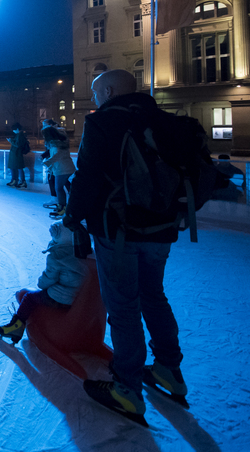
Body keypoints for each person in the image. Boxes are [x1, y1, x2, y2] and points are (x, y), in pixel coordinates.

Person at [62, 69, 188, 424]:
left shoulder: (103, 122)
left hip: (117, 231)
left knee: (123, 307)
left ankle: (127, 389)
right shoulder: (162, 119)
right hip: (162, 230)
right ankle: (169, 371)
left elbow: (87, 177)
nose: (96, 99)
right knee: (154, 296)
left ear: (111, 90)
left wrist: (73, 218)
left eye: (97, 92)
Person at [0, 220, 87, 343]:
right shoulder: (84, 252)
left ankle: (16, 327)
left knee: (29, 297)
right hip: (80, 299)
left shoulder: (57, 256)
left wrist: (40, 284)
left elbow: (48, 279)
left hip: (61, 298)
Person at [42, 121, 75, 219]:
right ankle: (66, 208)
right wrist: (50, 167)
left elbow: (58, 155)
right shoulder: (59, 142)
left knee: (59, 188)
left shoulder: (55, 144)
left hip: (62, 169)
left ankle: (62, 209)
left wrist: (48, 162)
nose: (44, 138)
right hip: (66, 168)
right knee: (65, 189)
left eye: (44, 135)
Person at [6, 123, 29, 189]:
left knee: (19, 168)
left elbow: (18, 145)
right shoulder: (19, 135)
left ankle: (19, 181)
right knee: (16, 167)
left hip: (16, 154)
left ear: (17, 129)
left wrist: (11, 141)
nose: (13, 131)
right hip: (15, 154)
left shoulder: (19, 135)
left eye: (14, 129)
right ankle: (16, 180)